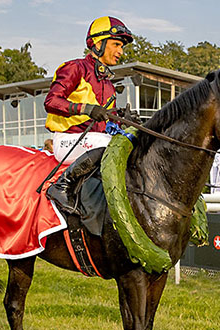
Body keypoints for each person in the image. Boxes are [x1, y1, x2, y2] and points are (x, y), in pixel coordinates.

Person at [44, 16, 133, 214]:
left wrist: (124, 120)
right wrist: (86, 109)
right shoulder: (75, 68)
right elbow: (51, 102)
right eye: (116, 44)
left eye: (122, 47)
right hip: (67, 141)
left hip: (93, 141)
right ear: (98, 43)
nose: (120, 51)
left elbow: (107, 123)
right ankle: (60, 186)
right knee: (106, 145)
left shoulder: (109, 84)